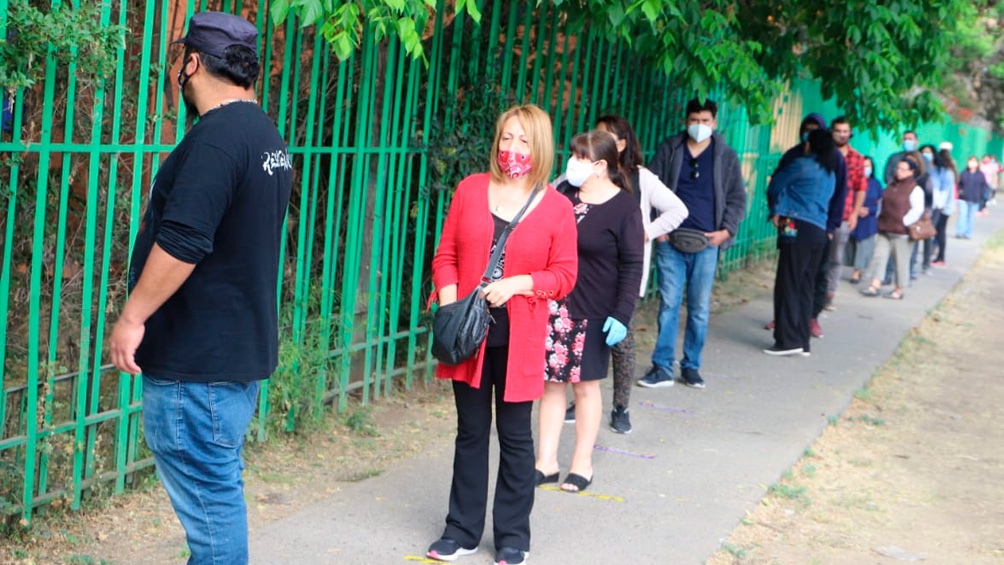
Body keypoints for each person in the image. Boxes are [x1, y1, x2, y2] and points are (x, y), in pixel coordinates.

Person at [108, 12, 293, 564]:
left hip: (197, 369)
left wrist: (132, 317)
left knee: (213, 516)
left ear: (191, 63)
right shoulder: (265, 136)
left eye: (178, 60)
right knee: (217, 499)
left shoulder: (216, 140)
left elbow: (184, 242)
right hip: (230, 360)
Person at [427, 104, 578, 565]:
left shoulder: (557, 207)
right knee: (470, 432)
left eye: (524, 140)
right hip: (469, 335)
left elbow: (564, 275)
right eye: (507, 137)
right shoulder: (471, 190)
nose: (512, 147)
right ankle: (461, 530)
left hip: (520, 336)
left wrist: (519, 283)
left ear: (540, 148)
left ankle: (513, 536)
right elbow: (446, 255)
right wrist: (452, 305)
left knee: (515, 437)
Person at [562, 115, 688, 434]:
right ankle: (580, 400)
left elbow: (677, 210)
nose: (595, 140)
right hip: (581, 279)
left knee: (621, 345)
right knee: (581, 346)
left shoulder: (640, 178)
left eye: (604, 136)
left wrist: (645, 232)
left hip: (621, 278)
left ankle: (621, 406)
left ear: (620, 144)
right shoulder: (575, 181)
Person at [535, 130, 644, 494]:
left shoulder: (624, 207)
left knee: (585, 387)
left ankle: (582, 464)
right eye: (572, 155)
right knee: (551, 384)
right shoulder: (563, 194)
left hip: (595, 309)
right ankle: (545, 462)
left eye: (580, 157)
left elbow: (632, 264)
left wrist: (622, 314)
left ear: (600, 166)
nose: (572, 163)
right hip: (554, 304)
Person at [638, 98, 746, 389]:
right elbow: (649, 187)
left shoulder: (725, 155)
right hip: (670, 240)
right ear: (686, 121)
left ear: (715, 122)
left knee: (699, 308)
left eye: (705, 121)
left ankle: (691, 366)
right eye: (695, 120)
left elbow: (737, 197)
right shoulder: (670, 149)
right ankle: (662, 367)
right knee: (669, 305)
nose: (700, 126)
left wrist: (727, 231)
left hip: (707, 243)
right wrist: (657, 229)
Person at [763, 113, 846, 338]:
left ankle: (790, 334)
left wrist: (777, 209)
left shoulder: (803, 163)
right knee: (804, 281)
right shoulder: (824, 167)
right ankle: (798, 334)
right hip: (816, 228)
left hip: (796, 225)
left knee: (791, 279)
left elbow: (775, 186)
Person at [860, 157, 925, 300]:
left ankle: (899, 289)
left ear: (911, 172)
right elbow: (882, 202)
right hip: (885, 228)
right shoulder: (891, 185)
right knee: (879, 256)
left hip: (902, 233)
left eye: (903, 169)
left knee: (901, 261)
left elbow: (917, 210)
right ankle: (874, 285)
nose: (899, 172)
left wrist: (904, 222)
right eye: (898, 168)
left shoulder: (915, 189)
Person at [824, 116, 866, 309]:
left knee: (836, 256)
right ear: (831, 132)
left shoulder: (857, 158)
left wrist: (855, 213)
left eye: (845, 131)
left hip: (843, 214)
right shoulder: (824, 154)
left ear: (850, 133)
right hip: (821, 212)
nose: (841, 135)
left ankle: (829, 294)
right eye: (838, 131)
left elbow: (860, 188)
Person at [848, 156, 883, 283]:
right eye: (863, 166)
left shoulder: (876, 184)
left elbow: (880, 203)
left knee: (864, 246)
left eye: (868, 166)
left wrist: (869, 211)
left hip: (869, 220)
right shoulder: (852, 181)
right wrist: (856, 209)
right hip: (852, 216)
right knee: (850, 245)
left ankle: (857, 272)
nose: (865, 169)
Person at [930, 143, 957, 266]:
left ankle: (940, 257)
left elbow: (946, 191)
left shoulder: (944, 172)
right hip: (946, 206)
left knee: (940, 231)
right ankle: (939, 255)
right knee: (940, 230)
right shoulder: (951, 168)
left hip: (942, 207)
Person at [957, 156, 990, 239]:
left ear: (977, 163)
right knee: (962, 215)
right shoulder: (963, 173)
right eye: (970, 161)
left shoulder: (980, 174)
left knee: (971, 217)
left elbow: (984, 187)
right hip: (963, 198)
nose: (971, 163)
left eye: (974, 161)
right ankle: (960, 232)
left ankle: (968, 233)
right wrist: (960, 192)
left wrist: (981, 197)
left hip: (975, 199)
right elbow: (959, 184)